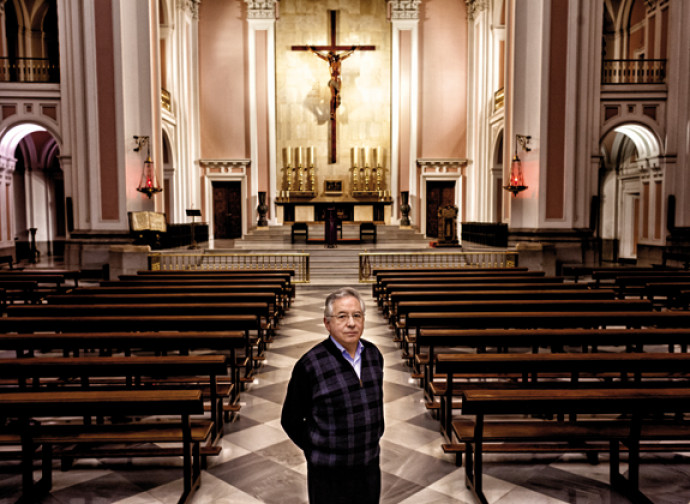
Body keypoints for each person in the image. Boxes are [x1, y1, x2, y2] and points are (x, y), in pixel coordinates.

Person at [281, 286, 384, 504]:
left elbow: (375, 403)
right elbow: (290, 419)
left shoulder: (374, 355)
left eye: (357, 315)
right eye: (342, 316)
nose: (351, 323)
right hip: (328, 473)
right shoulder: (310, 364)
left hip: (369, 466)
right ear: (327, 323)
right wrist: (317, 448)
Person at [309, 46, 357, 116]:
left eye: (331, 56)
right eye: (329, 57)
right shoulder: (329, 61)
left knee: (337, 95)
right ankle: (332, 112)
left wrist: (353, 51)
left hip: (338, 80)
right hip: (332, 81)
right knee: (333, 96)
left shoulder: (339, 60)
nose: (330, 58)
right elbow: (320, 56)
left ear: (333, 56)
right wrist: (313, 52)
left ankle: (336, 106)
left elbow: (347, 55)